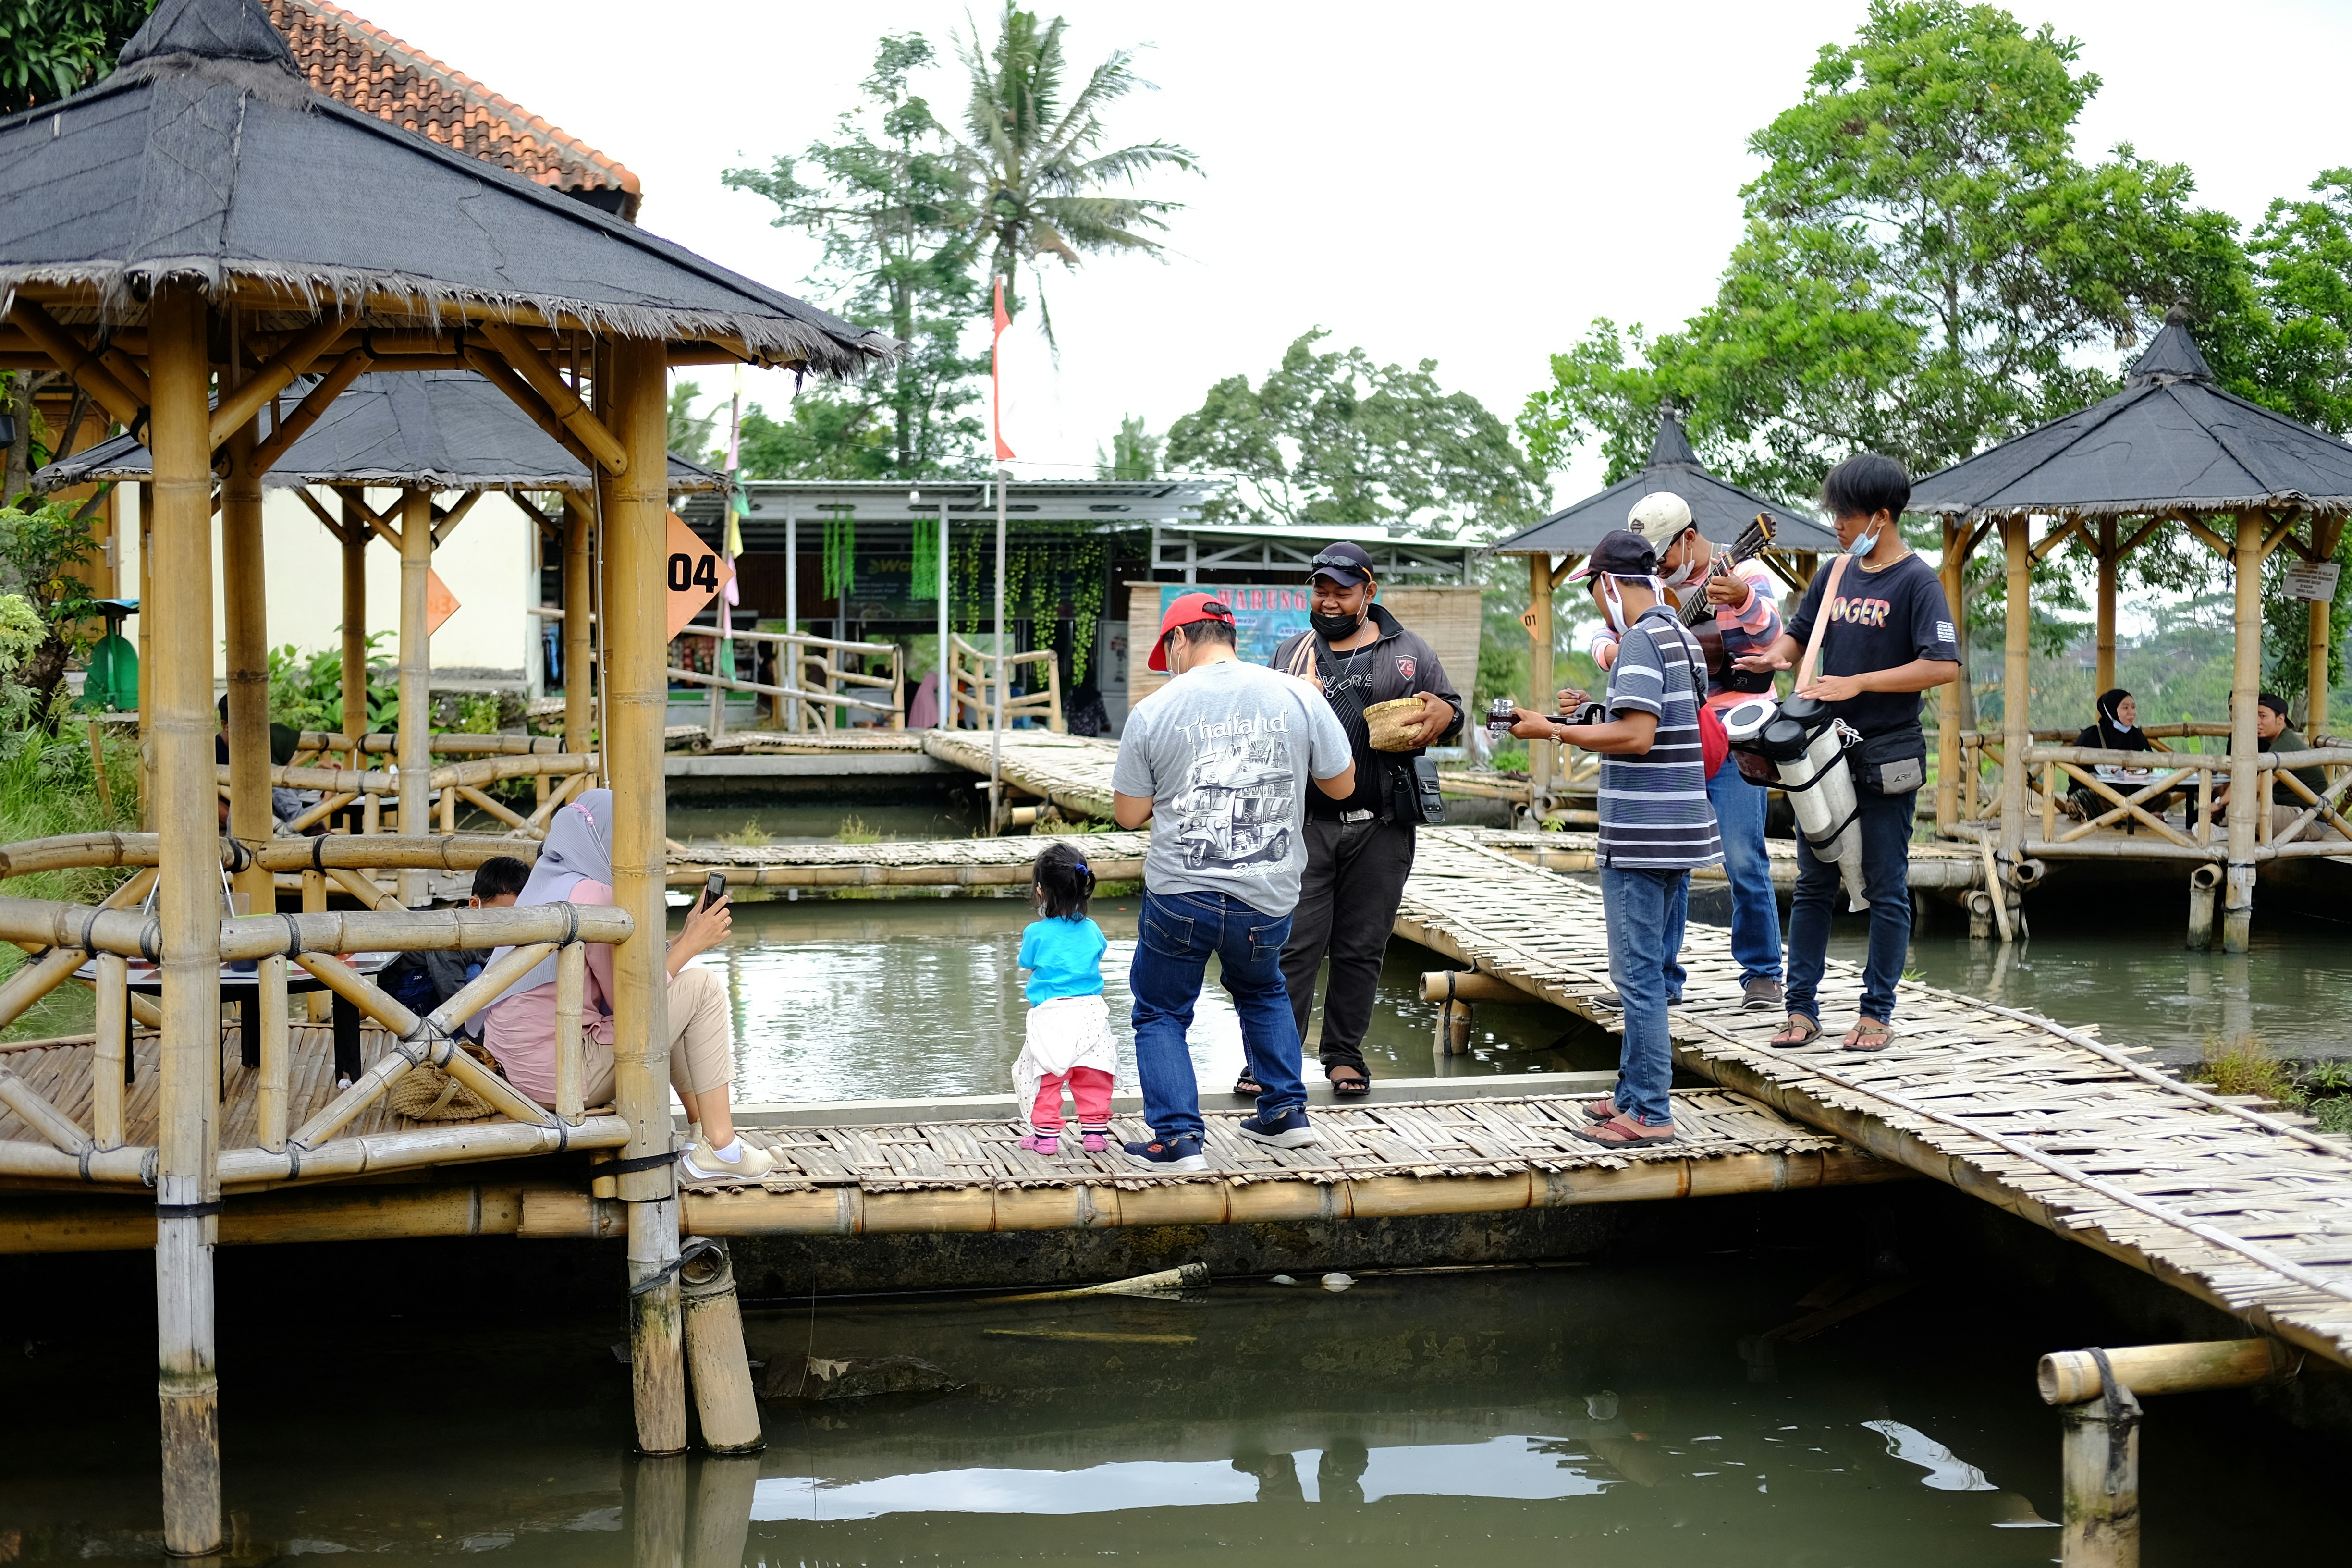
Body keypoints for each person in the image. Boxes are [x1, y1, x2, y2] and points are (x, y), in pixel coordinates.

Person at [1111, 592, 1355, 1170]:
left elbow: (1128, 814)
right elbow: (1342, 786)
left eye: (1166, 651)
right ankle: (1285, 1114)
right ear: (1230, 637)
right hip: (1267, 894)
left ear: (1178, 640)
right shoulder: (1297, 694)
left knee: (1162, 1012)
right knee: (1263, 990)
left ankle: (1177, 1140)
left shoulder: (1154, 709)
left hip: (1181, 893)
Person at [1733, 454, 1960, 1054]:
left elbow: (1941, 666)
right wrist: (1775, 656)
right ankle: (1801, 1010)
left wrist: (1859, 683)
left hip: (1886, 756)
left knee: (1886, 884)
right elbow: (1801, 636)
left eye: (1845, 514)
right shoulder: (1836, 573)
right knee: (1814, 881)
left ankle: (1876, 1011)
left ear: (1880, 518)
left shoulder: (1917, 581)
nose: (1836, 524)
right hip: (1822, 753)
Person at [1509, 529, 1720, 1145]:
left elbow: (1638, 738)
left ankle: (1650, 1112)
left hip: (1640, 833)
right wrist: (1587, 717)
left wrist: (1552, 730)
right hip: (1680, 825)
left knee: (1637, 977)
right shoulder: (1680, 633)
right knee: (1651, 968)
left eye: (1596, 592)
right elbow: (1665, 718)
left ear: (1608, 585)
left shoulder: (1637, 640)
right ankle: (1632, 1091)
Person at [478, 790, 776, 1186]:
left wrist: (685, 935)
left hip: (521, 1074)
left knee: (679, 994)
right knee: (701, 987)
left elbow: (630, 977)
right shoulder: (594, 894)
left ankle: (703, 1134)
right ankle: (722, 1146)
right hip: (564, 1078)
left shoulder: (547, 881)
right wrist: (692, 945)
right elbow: (631, 1000)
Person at [1260, 541, 1462, 1099]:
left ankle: (1344, 1054)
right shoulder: (1290, 654)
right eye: (1320, 590)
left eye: (1341, 592)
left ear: (1369, 594)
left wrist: (1447, 713)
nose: (1327, 601)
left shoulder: (1408, 650)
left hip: (1382, 823)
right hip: (1306, 823)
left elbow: (1451, 710)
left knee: (1362, 945)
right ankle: (1273, 1062)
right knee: (1294, 945)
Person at [1591, 492, 1787, 1011]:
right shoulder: (1652, 596)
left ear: (1691, 539)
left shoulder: (1744, 572)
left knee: (1745, 855)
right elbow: (1600, 636)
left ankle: (1763, 973)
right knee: (1667, 859)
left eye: (1665, 555)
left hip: (1738, 734)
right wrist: (1614, 651)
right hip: (1677, 740)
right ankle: (1660, 980)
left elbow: (1775, 638)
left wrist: (1743, 599)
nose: (1658, 567)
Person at [1012, 841, 1115, 1156]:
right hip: (1090, 1014)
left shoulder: (1036, 932)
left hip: (1052, 1017)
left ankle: (1045, 1137)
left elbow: (1026, 963)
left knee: (1045, 1075)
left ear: (1041, 891)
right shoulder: (1093, 929)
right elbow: (1100, 952)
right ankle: (1095, 1134)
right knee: (1093, 1075)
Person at [2214, 691, 2331, 836]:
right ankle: (2227, 831)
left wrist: (2219, 804)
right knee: (2235, 805)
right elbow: (2248, 781)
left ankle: (2226, 833)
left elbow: (2257, 788)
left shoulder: (2285, 745)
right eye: (2254, 715)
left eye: (2263, 716)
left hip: (2309, 819)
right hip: (2289, 811)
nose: (2256, 721)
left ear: (2280, 719)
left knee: (2242, 809)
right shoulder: (2279, 742)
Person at [2068, 689, 2152, 811]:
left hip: (2131, 795)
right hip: (2099, 795)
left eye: (2133, 708)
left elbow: (2150, 764)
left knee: (2163, 797)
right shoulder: (2092, 735)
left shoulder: (2137, 736)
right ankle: (2135, 816)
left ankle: (2128, 815)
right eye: (2125, 708)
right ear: (2111, 710)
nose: (2132, 713)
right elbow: (2076, 776)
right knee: (2082, 799)